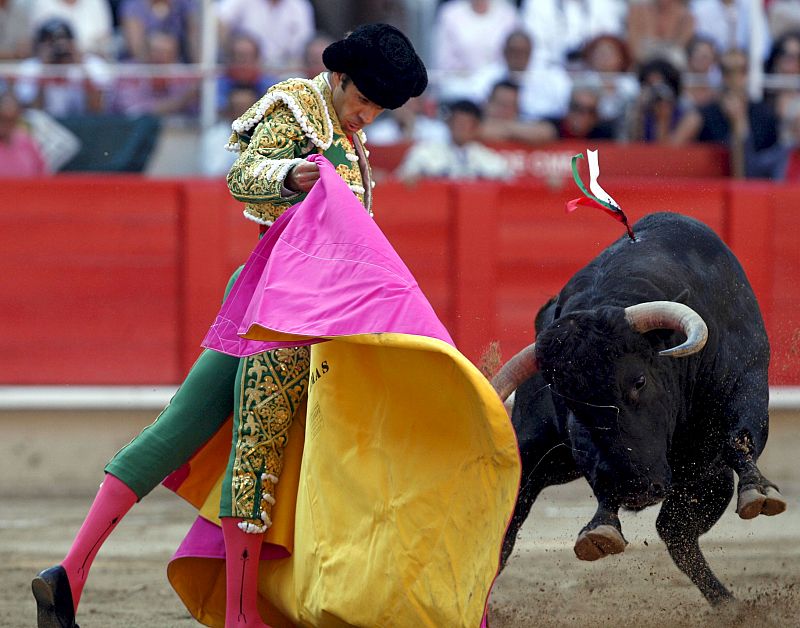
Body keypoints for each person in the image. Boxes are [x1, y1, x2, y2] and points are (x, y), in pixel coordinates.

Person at [31, 22, 428, 628]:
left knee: (175, 433)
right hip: (281, 311)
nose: (369, 114)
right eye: (364, 99)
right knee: (258, 454)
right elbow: (242, 176)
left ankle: (68, 574)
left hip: (291, 306)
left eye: (380, 107)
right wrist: (291, 174)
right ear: (341, 76)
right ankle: (242, 617)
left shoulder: (348, 133)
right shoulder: (296, 105)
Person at [672, 48, 780, 178]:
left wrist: (740, 125)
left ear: (747, 73)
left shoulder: (765, 115)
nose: (734, 78)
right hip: (711, 184)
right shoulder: (702, 114)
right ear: (721, 74)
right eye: (727, 71)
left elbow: (774, 161)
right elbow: (672, 152)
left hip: (753, 188)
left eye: (741, 70)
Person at [14, 18, 112, 117]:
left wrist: (81, 66)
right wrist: (45, 69)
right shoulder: (30, 67)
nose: (57, 47)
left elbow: (97, 109)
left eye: (63, 40)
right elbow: (34, 112)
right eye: (50, 42)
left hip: (83, 125)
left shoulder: (91, 64)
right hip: (44, 126)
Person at [396, 99, 510, 181]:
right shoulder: (424, 152)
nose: (461, 128)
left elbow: (506, 184)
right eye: (458, 122)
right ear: (449, 123)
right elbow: (403, 179)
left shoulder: (491, 160)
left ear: (477, 127)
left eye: (466, 124)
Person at [432, 0, 520, 103]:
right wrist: (473, 80)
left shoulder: (508, 14)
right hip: (461, 87)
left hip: (498, 87)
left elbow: (512, 57)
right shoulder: (450, 13)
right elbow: (444, 62)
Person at [216, 0, 314, 76]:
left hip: (285, 71)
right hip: (248, 71)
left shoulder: (300, 5)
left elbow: (303, 46)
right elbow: (218, 20)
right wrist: (228, 50)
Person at [0, 90, 49, 176]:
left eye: (11, 120)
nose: (5, 125)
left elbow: (43, 173)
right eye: (2, 119)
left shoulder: (26, 141)